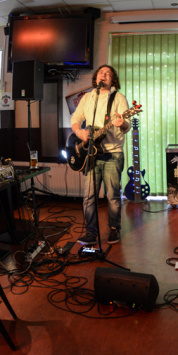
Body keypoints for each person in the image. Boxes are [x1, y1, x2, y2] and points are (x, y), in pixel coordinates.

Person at [71, 65, 131, 246]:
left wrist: (121, 123)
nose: (104, 75)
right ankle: (91, 232)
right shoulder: (87, 98)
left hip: (112, 153)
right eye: (101, 73)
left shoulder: (118, 98)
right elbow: (76, 119)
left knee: (112, 195)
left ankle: (114, 228)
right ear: (96, 77)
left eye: (108, 74)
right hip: (91, 154)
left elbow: (127, 126)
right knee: (89, 196)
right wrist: (80, 133)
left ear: (113, 80)